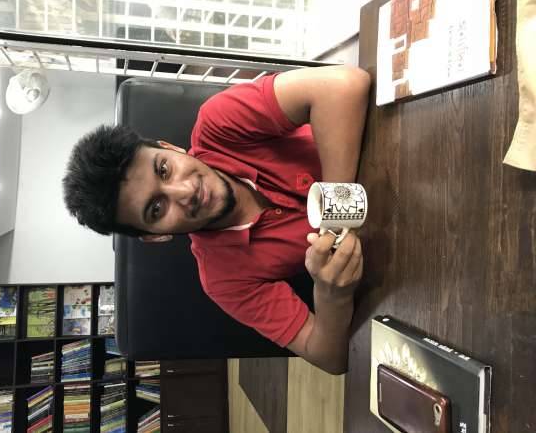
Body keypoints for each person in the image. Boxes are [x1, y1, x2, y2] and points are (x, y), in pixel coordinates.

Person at [63, 65, 370, 375]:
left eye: (164, 169)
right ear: (155, 236)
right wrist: (332, 296)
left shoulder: (218, 121)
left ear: (170, 148)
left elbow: (343, 84)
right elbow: (329, 358)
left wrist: (337, 206)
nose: (186, 191)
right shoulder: (223, 279)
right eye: (156, 209)